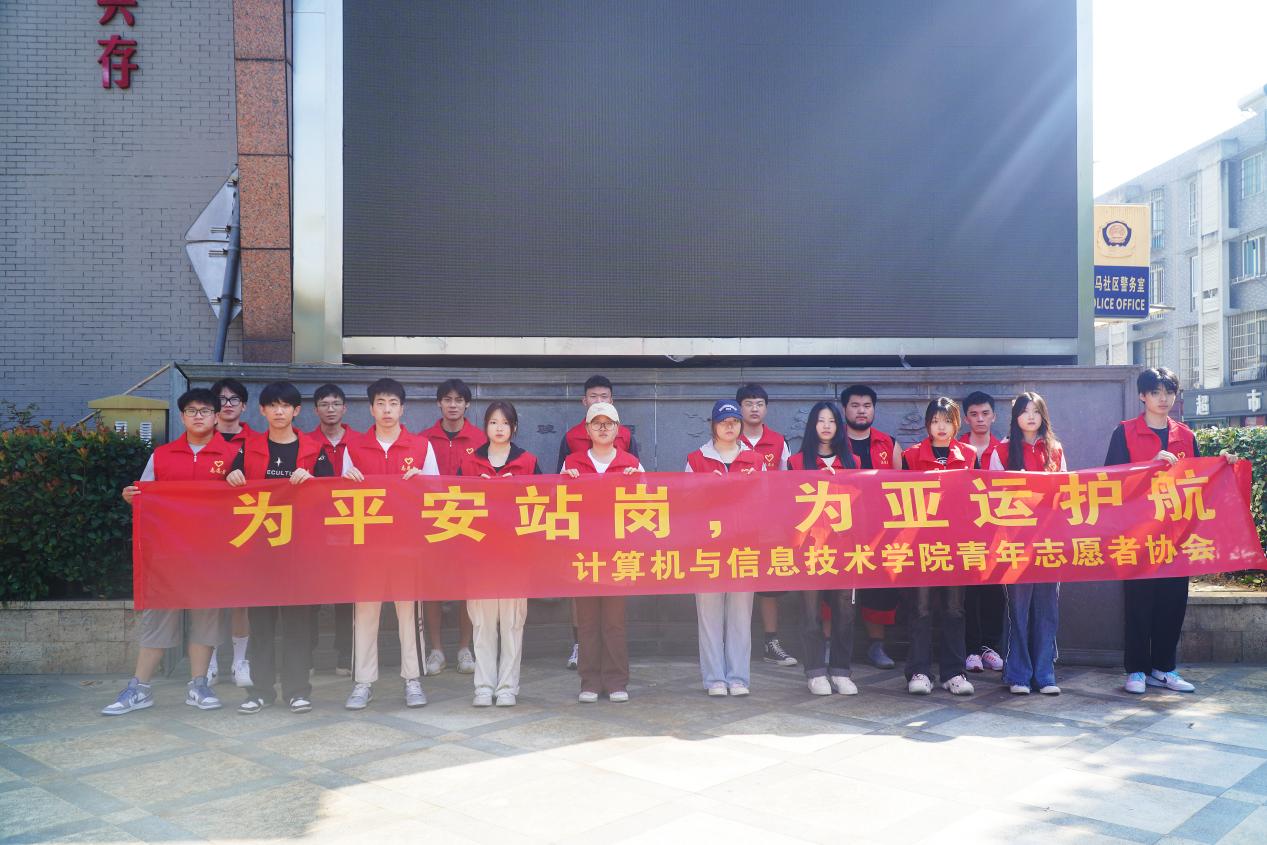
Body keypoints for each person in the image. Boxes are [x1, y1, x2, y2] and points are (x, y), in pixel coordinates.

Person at [102, 388, 238, 716]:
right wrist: (133, 497)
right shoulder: (162, 455)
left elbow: (248, 501)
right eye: (191, 411)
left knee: (206, 621)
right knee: (158, 620)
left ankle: (198, 685)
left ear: (216, 416)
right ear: (181, 416)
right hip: (168, 556)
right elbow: (146, 496)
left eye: (205, 411)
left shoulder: (234, 456)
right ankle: (139, 688)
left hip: (212, 556)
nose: (198, 416)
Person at [1105, 367, 1237, 695]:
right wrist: (1148, 465)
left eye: (1169, 392)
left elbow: (1199, 482)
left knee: (1173, 603)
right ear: (1142, 396)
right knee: (1139, 603)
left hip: (1177, 536)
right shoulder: (1125, 432)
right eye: (1155, 392)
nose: (1163, 399)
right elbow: (1109, 481)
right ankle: (1136, 670)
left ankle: (1163, 668)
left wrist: (1222, 464)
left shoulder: (1186, 436)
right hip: (1137, 536)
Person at [227, 381, 331, 714]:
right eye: (273, 405)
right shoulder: (249, 448)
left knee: (298, 625)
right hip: (259, 552)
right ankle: (260, 691)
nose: (279, 411)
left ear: (296, 411)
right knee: (261, 625)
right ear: (262, 410)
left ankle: (298, 690)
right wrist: (230, 479)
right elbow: (225, 493)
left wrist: (313, 482)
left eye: (286, 405)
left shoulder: (314, 449)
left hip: (300, 552)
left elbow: (332, 493)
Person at [341, 378, 438, 710]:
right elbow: (341, 499)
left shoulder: (421, 447)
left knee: (409, 614)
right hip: (367, 547)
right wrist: (346, 482)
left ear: (402, 408)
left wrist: (423, 482)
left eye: (393, 403)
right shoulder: (354, 448)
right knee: (365, 613)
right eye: (380, 403)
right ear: (370, 408)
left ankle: (412, 679)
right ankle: (363, 682)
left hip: (407, 546)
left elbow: (438, 494)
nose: (387, 410)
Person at [556, 375, 642, 670]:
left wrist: (637, 482)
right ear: (587, 428)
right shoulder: (572, 460)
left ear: (618, 428)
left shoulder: (631, 461)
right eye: (597, 424)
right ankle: (589, 680)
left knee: (614, 621)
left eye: (608, 423)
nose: (603, 428)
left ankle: (617, 680)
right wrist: (565, 484)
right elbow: (556, 498)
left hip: (618, 549)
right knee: (588, 619)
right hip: (583, 548)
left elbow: (647, 502)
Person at [459, 401, 541, 707]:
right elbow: (453, 506)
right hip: (479, 557)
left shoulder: (528, 462)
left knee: (512, 624)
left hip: (514, 557)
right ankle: (483, 686)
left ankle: (507, 686)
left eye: (505, 423)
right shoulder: (470, 464)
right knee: (482, 625)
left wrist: (515, 491)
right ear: (485, 427)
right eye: (493, 422)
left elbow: (541, 506)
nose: (499, 428)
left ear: (514, 428)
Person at [989, 392, 1067, 695]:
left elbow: (1065, 492)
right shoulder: (1002, 451)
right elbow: (990, 496)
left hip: (1048, 540)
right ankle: (1018, 674)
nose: (1031, 416)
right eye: (1024, 411)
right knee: (1018, 609)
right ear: (1015, 417)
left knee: (1047, 608)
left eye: (1036, 411)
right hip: (1016, 542)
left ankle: (1045, 674)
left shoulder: (1055, 450)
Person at [686, 400, 762, 696]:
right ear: (713, 426)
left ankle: (739, 677)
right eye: (723, 421)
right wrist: (707, 489)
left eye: (734, 421)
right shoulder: (696, 459)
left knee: (741, 615)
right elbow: (685, 503)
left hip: (744, 546)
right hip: (707, 548)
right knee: (709, 616)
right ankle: (714, 678)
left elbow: (766, 499)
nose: (729, 426)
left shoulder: (754, 460)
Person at [901, 397, 975, 696]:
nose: (941, 427)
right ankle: (919, 671)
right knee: (920, 608)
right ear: (927, 424)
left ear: (956, 423)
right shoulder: (911, 455)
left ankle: (953, 672)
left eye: (947, 421)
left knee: (954, 609)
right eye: (935, 421)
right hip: (921, 544)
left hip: (956, 543)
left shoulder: (969, 454)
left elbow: (977, 496)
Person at [788, 402, 860, 695]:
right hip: (810, 549)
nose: (827, 426)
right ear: (812, 425)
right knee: (810, 612)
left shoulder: (853, 462)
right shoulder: (796, 463)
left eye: (832, 420)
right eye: (821, 420)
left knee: (845, 611)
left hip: (845, 549)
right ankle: (815, 671)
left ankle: (841, 671)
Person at [419, 378, 485, 676]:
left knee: (467, 589)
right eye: (447, 399)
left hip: (469, 522)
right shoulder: (423, 440)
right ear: (439, 403)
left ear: (467, 404)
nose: (453, 405)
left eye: (459, 400)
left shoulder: (480, 440)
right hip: (432, 523)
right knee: (431, 588)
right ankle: (436, 650)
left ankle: (464, 648)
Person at [736, 383, 798, 669]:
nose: (754, 409)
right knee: (735, 579)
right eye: (748, 403)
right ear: (739, 408)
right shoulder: (727, 437)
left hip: (768, 523)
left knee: (769, 583)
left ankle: (771, 642)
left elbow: (787, 483)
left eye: (759, 403)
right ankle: (734, 644)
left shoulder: (777, 441)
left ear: (766, 408)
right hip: (734, 525)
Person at [840, 384, 902, 671]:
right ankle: (830, 645)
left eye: (866, 405)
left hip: (880, 529)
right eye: (855, 405)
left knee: (880, 588)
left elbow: (902, 486)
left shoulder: (889, 444)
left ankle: (877, 645)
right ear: (845, 409)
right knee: (835, 586)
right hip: (841, 529)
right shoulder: (833, 441)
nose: (861, 411)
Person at [210, 377, 253, 688]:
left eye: (234, 399)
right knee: (210, 599)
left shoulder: (257, 443)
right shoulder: (199, 440)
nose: (227, 405)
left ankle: (240, 662)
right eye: (222, 400)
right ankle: (209, 661)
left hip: (244, 529)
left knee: (241, 598)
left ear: (245, 406)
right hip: (207, 531)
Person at [960, 390, 1006, 674]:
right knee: (966, 594)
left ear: (994, 416)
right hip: (962, 531)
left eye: (985, 414)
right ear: (966, 418)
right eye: (974, 414)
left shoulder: (1003, 449)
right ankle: (971, 649)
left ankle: (990, 646)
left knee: (994, 591)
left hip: (996, 531)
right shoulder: (955, 449)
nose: (980, 419)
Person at [309, 383, 354, 676]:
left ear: (345, 408)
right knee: (311, 595)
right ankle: (307, 656)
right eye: (324, 404)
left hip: (352, 526)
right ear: (316, 410)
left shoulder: (359, 442)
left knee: (347, 594)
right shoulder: (305, 443)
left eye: (336, 404)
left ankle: (345, 655)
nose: (330, 409)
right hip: (313, 529)